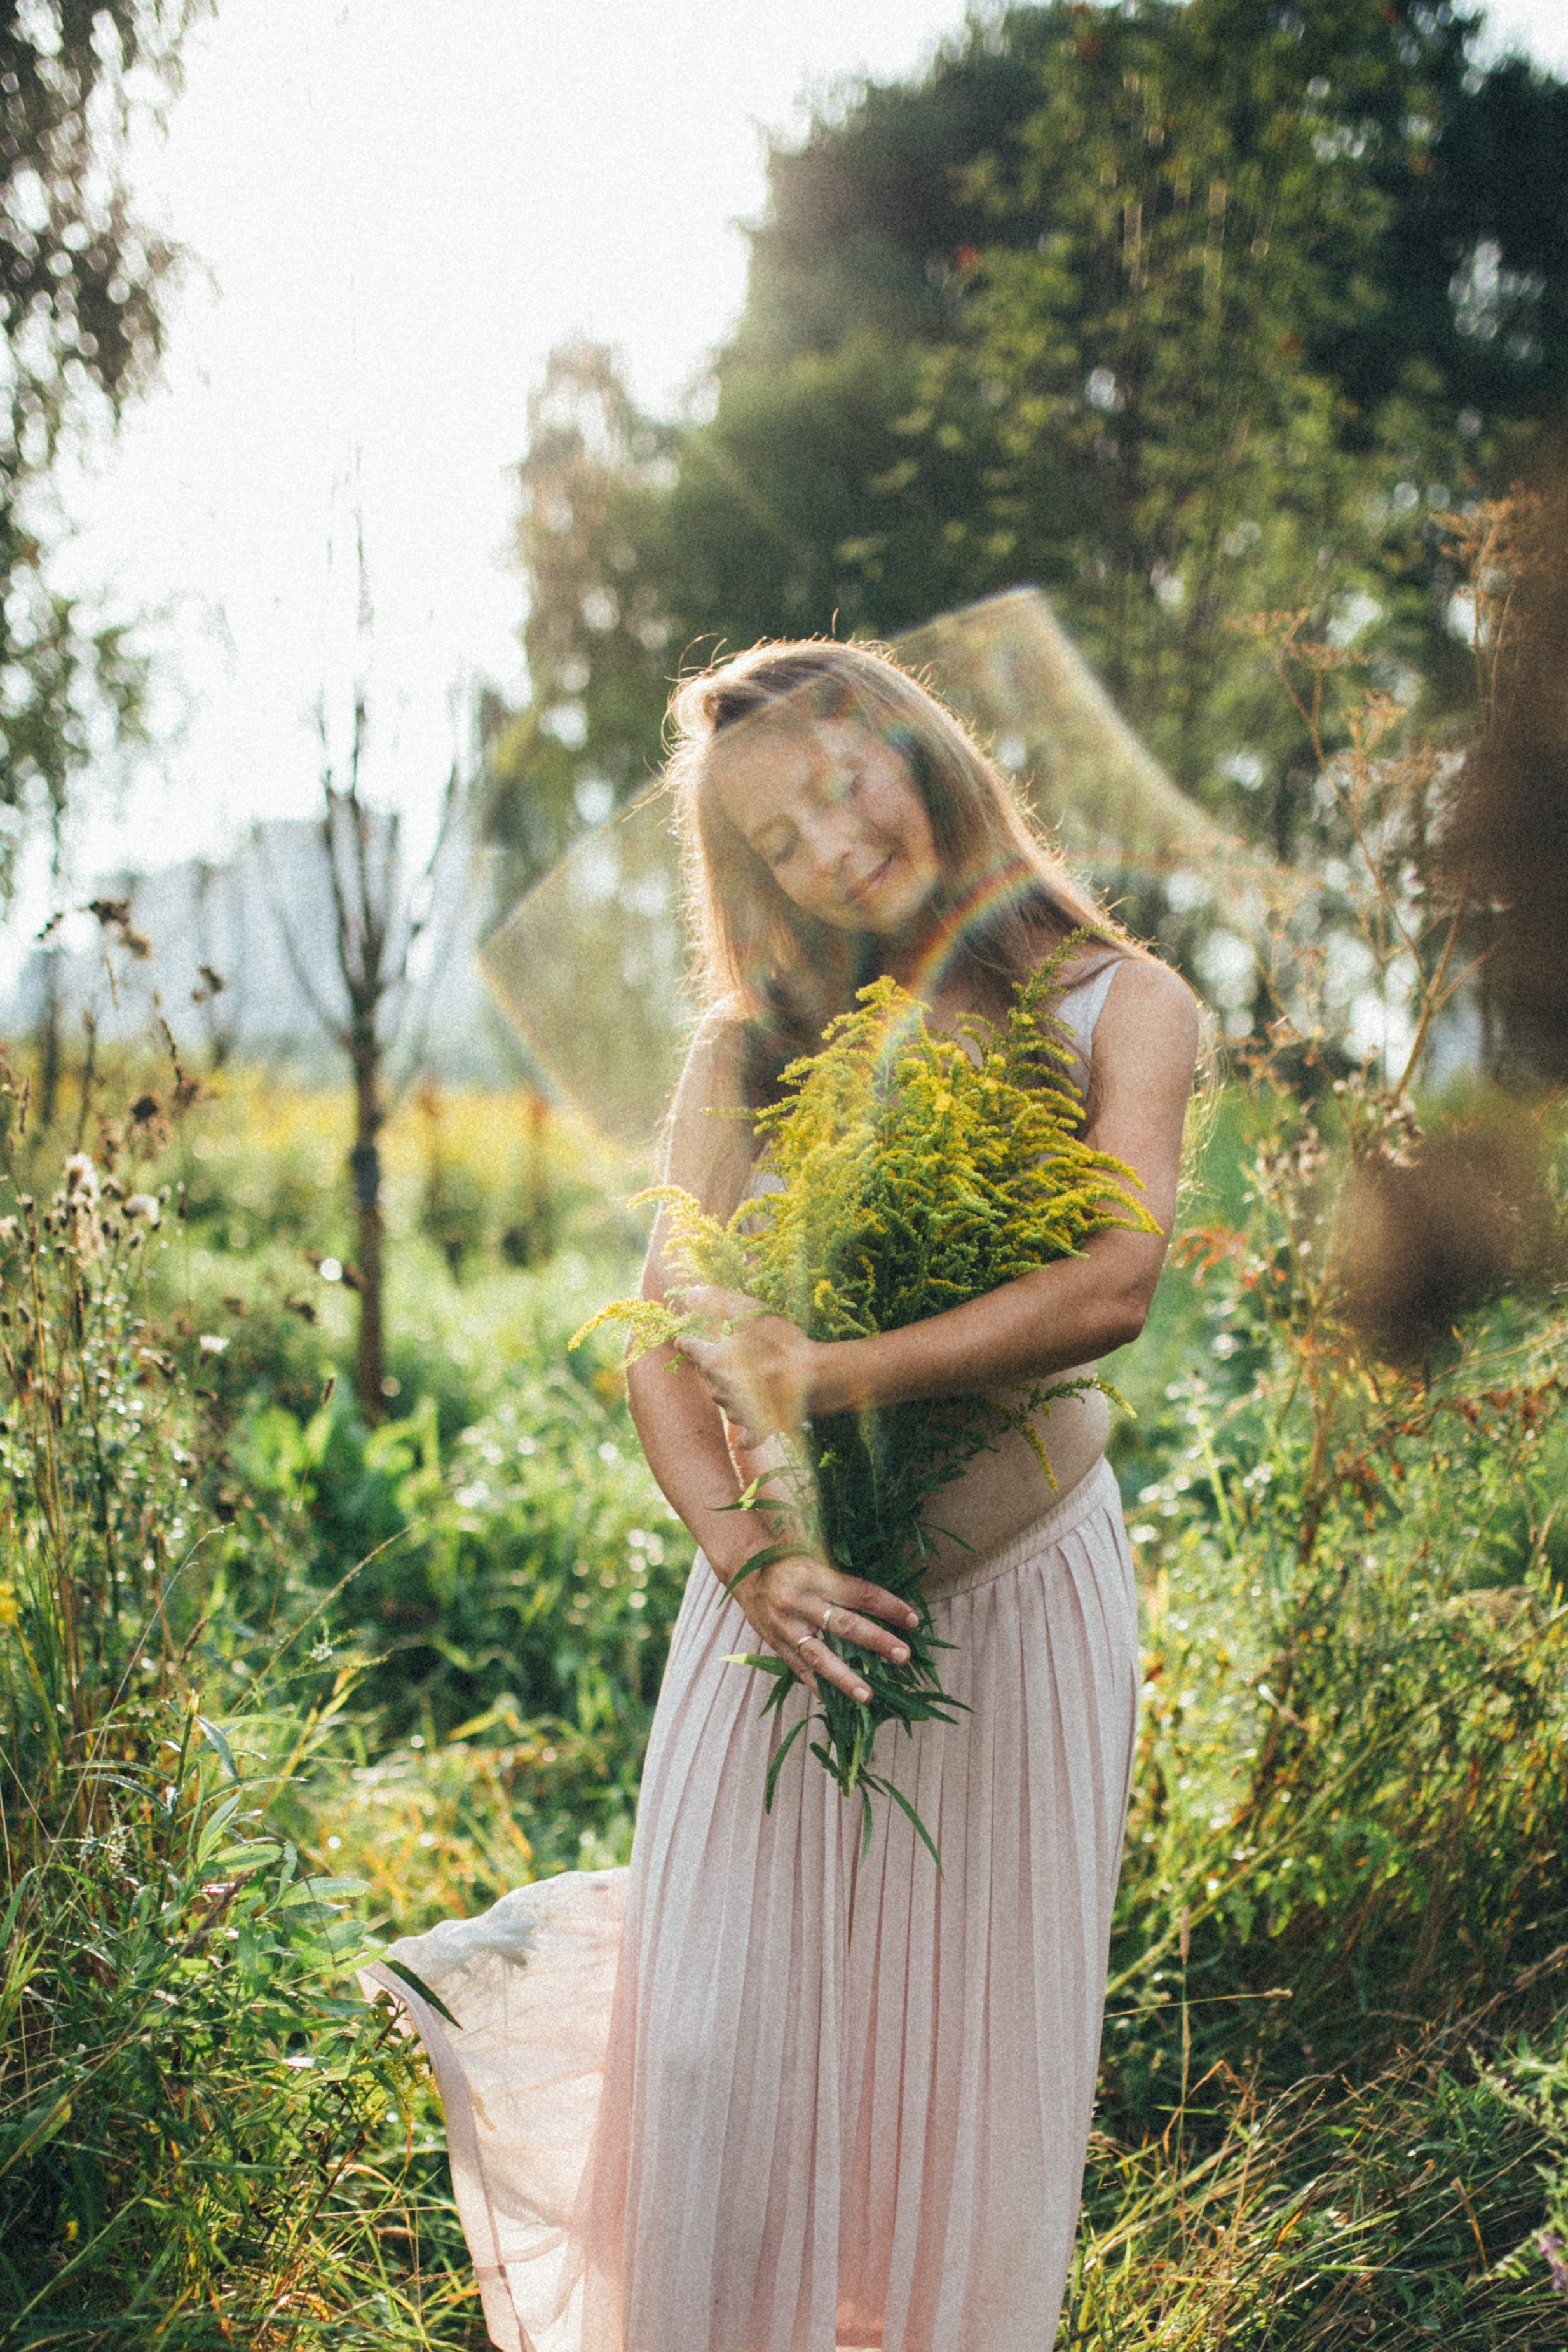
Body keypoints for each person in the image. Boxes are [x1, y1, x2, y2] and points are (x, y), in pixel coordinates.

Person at [366, 639, 1199, 2352]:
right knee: (713, 2048)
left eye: (838, 788)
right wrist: (754, 1561)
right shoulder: (746, 1056)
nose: (824, 851)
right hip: (776, 1624)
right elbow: (662, 1346)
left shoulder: (1122, 1005)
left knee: (964, 2073)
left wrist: (832, 1375)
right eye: (771, 844)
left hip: (1026, 1617)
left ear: (919, 755)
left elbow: (1114, 1280)